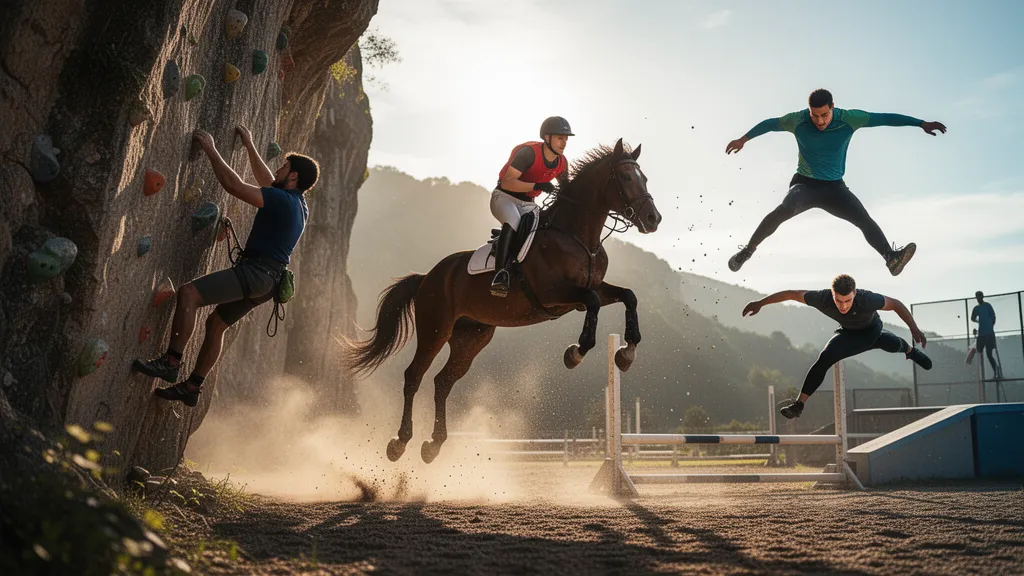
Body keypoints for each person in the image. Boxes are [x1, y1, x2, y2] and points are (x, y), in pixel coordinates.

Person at [132, 126, 317, 406]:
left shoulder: (283, 201)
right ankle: (192, 387)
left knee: (189, 294)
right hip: (268, 282)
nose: (278, 169)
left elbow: (234, 186)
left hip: (255, 273)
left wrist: (210, 149)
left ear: (293, 176)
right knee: (217, 324)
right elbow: (267, 180)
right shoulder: (298, 203)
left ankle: (171, 362)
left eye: (284, 166)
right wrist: (250, 145)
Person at [725, 88, 946, 276]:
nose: (819, 121)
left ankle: (891, 258)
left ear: (833, 107)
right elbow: (770, 124)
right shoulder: (798, 120)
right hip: (805, 184)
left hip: (835, 188)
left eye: (824, 115)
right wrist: (743, 139)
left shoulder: (850, 118)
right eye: (815, 115)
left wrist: (921, 123)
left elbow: (885, 118)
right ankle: (747, 251)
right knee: (786, 208)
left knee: (863, 218)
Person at [743, 273, 932, 419]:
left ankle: (909, 350)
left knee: (891, 344)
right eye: (838, 301)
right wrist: (760, 302)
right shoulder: (821, 298)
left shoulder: (868, 299)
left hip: (872, 331)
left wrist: (914, 328)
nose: (843, 306)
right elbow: (791, 294)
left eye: (848, 300)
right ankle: (798, 405)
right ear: (832, 294)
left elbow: (896, 304)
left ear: (855, 294)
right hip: (847, 333)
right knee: (825, 357)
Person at [489, 116, 573, 297]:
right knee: (514, 219)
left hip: (528, 204)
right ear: (547, 137)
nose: (564, 142)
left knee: (543, 228)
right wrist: (537, 186)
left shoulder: (562, 163)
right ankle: (500, 276)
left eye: (566, 138)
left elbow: (567, 188)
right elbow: (507, 183)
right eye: (560, 137)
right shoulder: (529, 153)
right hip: (504, 198)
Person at [971, 291, 1002, 379]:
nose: (979, 298)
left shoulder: (987, 306)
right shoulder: (976, 308)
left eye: (980, 296)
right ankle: (981, 373)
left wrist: (990, 326)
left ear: (982, 296)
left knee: (989, 354)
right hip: (982, 334)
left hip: (989, 334)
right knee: (979, 351)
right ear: (976, 298)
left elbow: (993, 317)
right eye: (977, 297)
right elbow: (972, 318)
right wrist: (978, 320)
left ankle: (996, 371)